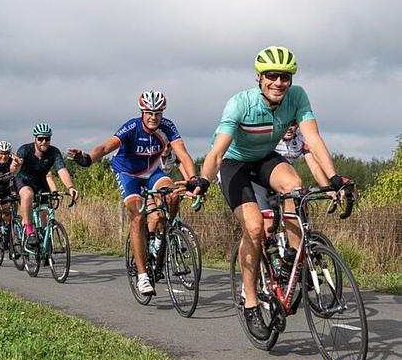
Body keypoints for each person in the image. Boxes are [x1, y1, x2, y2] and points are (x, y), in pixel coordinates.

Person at [188, 46, 351, 339]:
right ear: (259, 78)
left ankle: (290, 258)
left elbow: (313, 138)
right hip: (235, 163)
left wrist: (334, 178)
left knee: (296, 188)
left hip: (265, 159)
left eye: (285, 77)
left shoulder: (297, 96)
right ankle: (250, 302)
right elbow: (217, 153)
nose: (279, 82)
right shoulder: (240, 104)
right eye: (272, 76)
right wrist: (203, 180)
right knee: (253, 229)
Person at [68, 90, 197, 295]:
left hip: (152, 172)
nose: (153, 117)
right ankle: (143, 276)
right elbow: (105, 147)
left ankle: (167, 233)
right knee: (138, 217)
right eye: (149, 113)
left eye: (157, 113)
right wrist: (87, 159)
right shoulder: (131, 127)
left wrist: (193, 180)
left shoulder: (168, 127)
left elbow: (183, 153)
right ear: (142, 112)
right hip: (127, 173)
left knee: (173, 194)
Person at [15, 123, 79, 248]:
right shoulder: (25, 149)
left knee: (44, 211)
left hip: (40, 182)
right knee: (28, 195)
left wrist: (70, 187)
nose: (44, 142)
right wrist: (15, 165)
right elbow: (14, 168)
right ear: (35, 139)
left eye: (47, 138)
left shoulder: (54, 152)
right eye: (40, 139)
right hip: (23, 180)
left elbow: (61, 169)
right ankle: (29, 231)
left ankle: (43, 242)